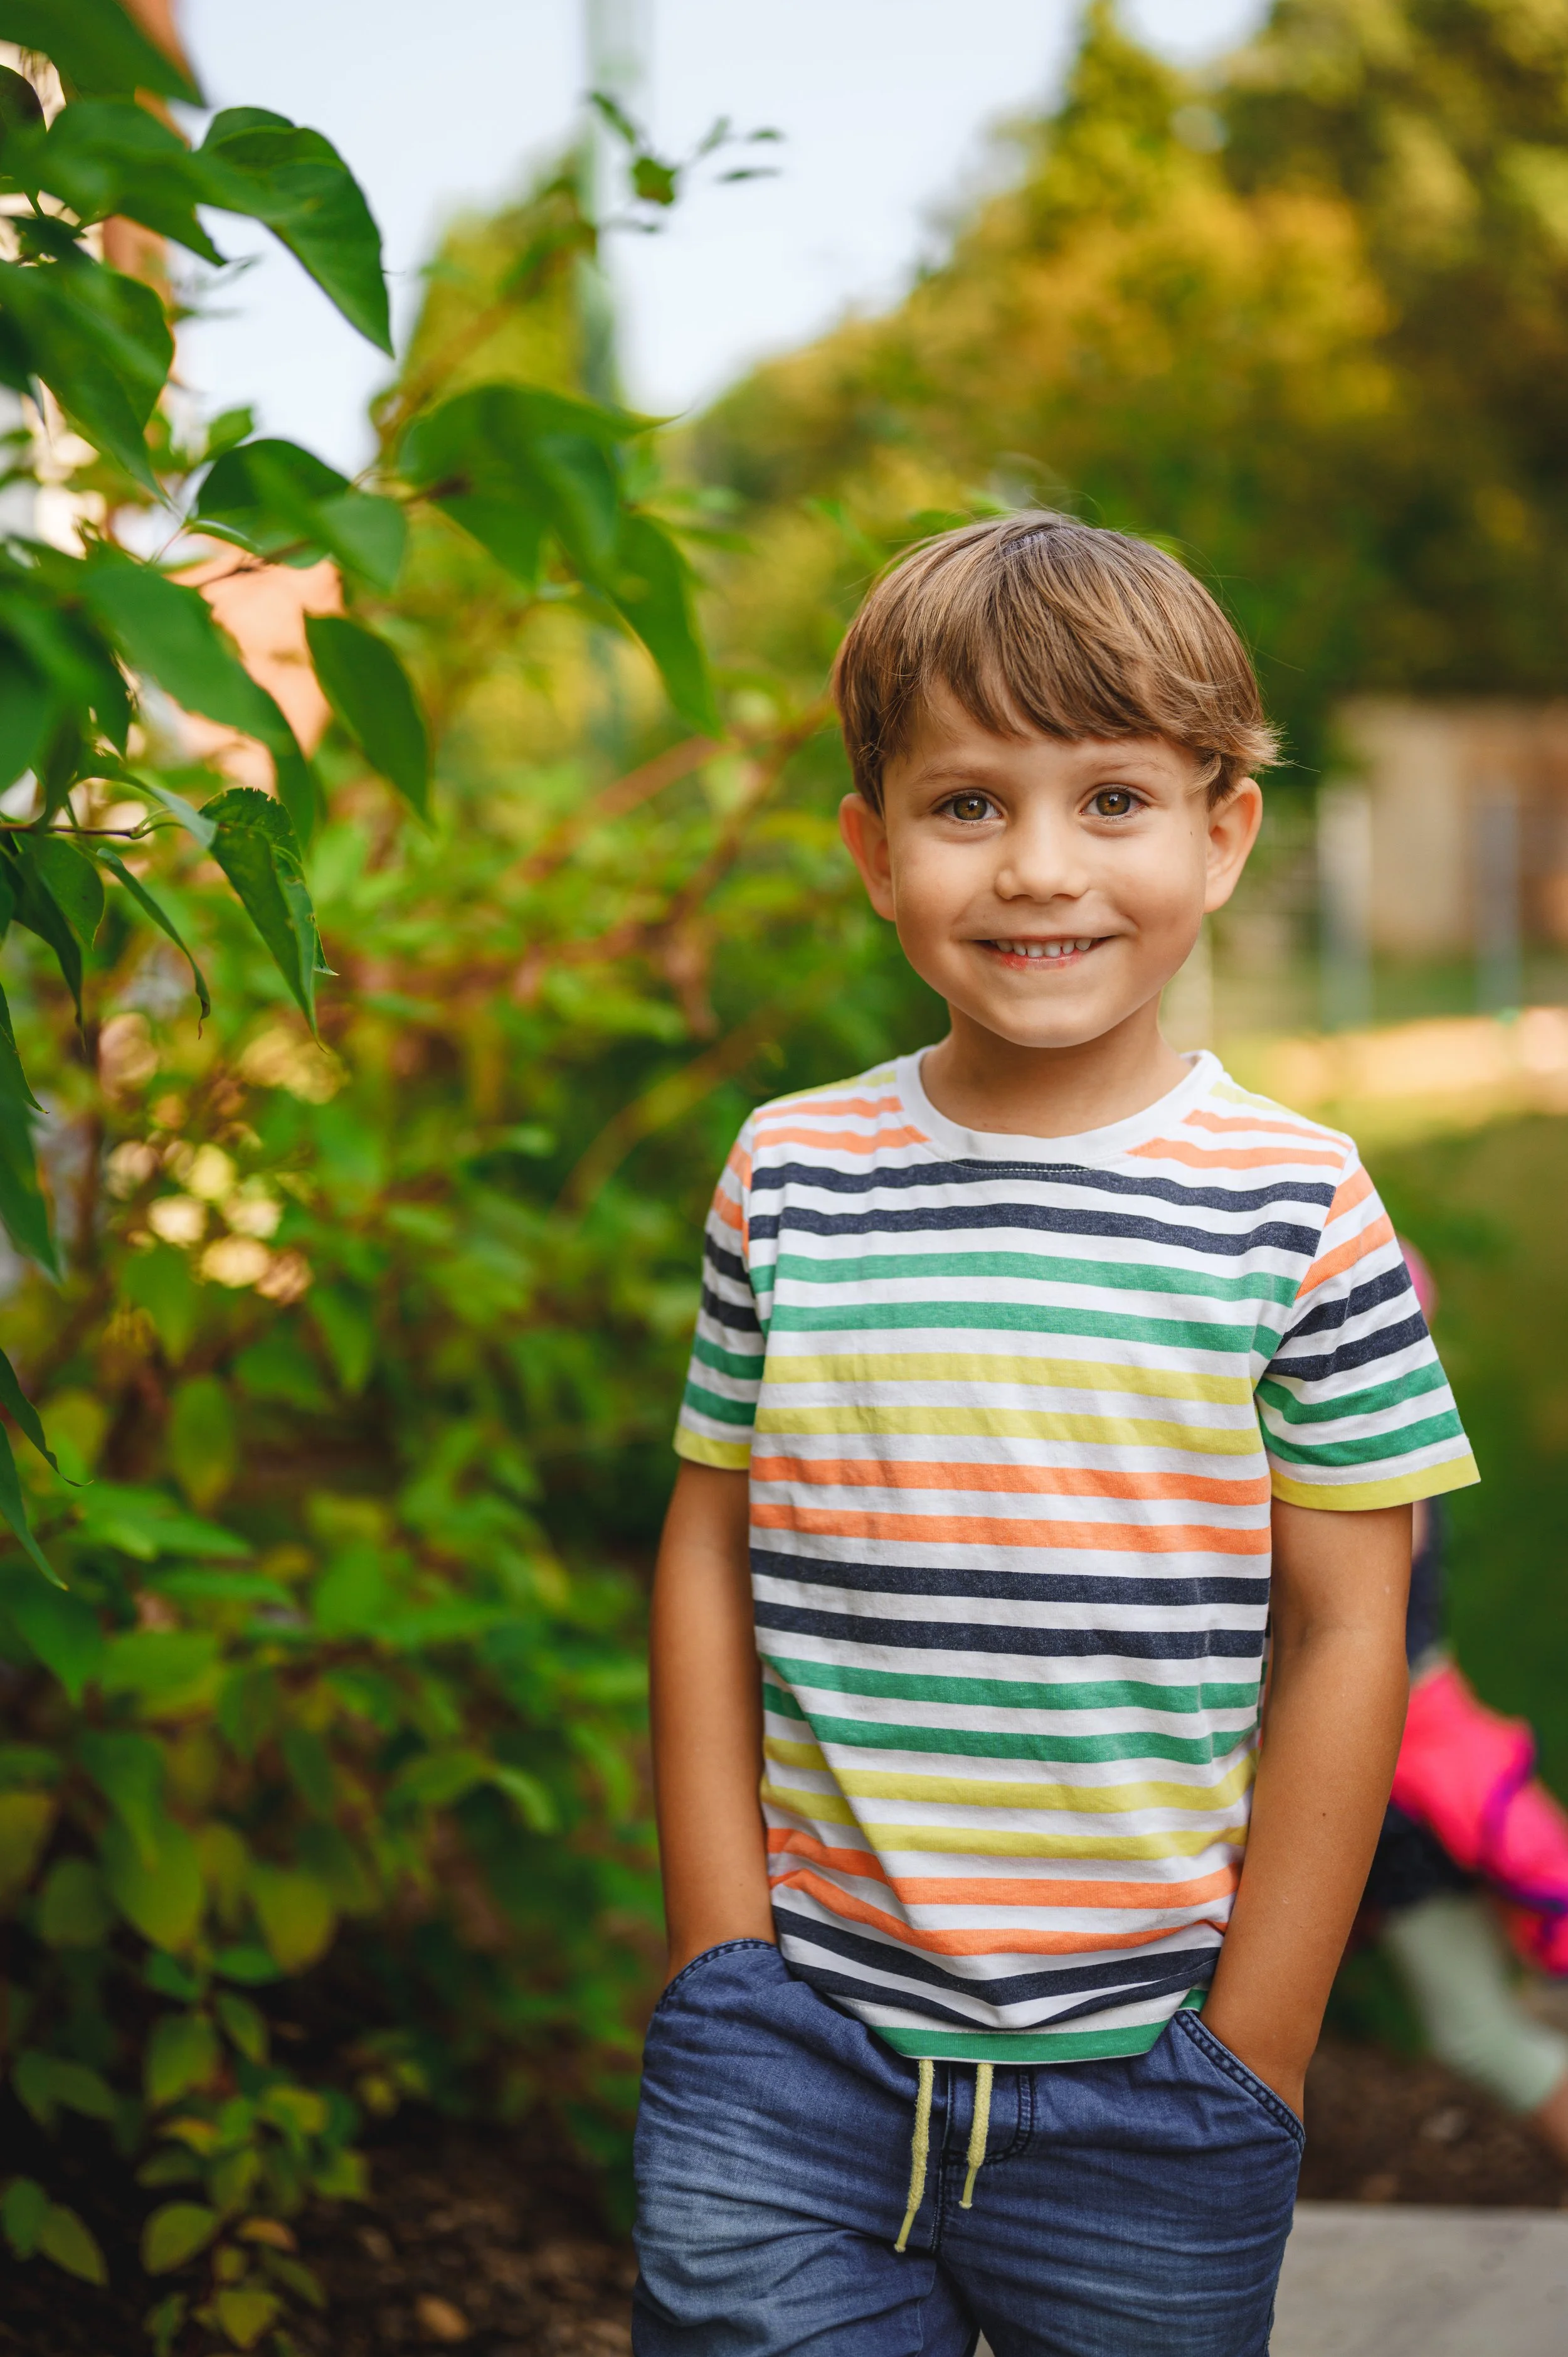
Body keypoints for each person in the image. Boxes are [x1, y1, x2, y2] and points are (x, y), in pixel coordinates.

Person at [634, 513, 1478, 2357]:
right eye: (963, 805)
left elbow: (1351, 1626)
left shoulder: (1296, 1207)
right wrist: (716, 1952)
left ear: (1220, 831)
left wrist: (1253, 2039)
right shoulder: (790, 1173)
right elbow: (709, 1542)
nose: (1037, 868)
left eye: (1110, 799)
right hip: (795, 2057)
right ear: (871, 847)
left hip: (1151, 2085)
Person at [1359, 1245, 1568, 2162]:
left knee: (1483, 2032)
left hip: (1407, 1777)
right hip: (1421, 1754)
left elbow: (1358, 1640)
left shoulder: (1378, 1458)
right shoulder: (1397, 1439)